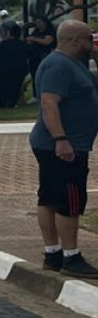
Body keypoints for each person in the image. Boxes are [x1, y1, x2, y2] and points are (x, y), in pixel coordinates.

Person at [32, 19, 98, 277]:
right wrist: (61, 139)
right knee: (68, 200)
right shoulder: (58, 65)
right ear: (73, 41)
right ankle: (70, 256)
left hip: (65, 143)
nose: (90, 43)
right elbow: (49, 103)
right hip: (62, 146)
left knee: (49, 197)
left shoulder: (75, 64)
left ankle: (53, 253)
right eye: (87, 39)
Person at [0, 23, 31, 109]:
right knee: (15, 86)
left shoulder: (3, 44)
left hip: (4, 67)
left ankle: (1, 103)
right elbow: (29, 56)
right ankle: (12, 103)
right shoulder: (24, 45)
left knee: (3, 86)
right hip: (19, 68)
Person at [26, 17, 56, 98]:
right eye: (37, 23)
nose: (38, 24)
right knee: (35, 75)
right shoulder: (35, 32)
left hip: (45, 55)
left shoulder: (49, 31)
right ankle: (36, 95)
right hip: (34, 56)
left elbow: (47, 42)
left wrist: (34, 39)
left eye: (40, 22)